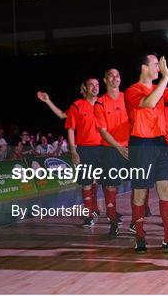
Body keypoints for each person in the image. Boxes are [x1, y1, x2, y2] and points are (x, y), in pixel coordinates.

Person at [125, 52, 168, 253]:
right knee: (140, 192)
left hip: (161, 144)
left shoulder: (158, 88)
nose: (159, 67)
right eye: (155, 64)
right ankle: (140, 237)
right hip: (141, 145)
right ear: (144, 68)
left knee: (165, 190)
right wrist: (165, 78)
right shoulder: (132, 90)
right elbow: (149, 102)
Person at [94, 68, 130, 238]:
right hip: (111, 150)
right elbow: (102, 131)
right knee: (110, 186)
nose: (115, 78)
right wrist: (118, 147)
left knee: (141, 185)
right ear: (105, 80)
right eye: (111, 75)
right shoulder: (100, 103)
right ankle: (113, 221)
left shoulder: (128, 98)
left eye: (117, 75)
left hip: (131, 148)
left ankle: (138, 221)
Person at [65, 78, 102, 227]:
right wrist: (73, 150)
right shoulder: (77, 106)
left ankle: (95, 207)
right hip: (85, 149)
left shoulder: (103, 103)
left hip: (102, 149)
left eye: (97, 85)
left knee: (97, 181)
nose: (95, 87)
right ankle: (88, 215)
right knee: (86, 182)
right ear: (85, 88)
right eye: (91, 85)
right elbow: (70, 129)